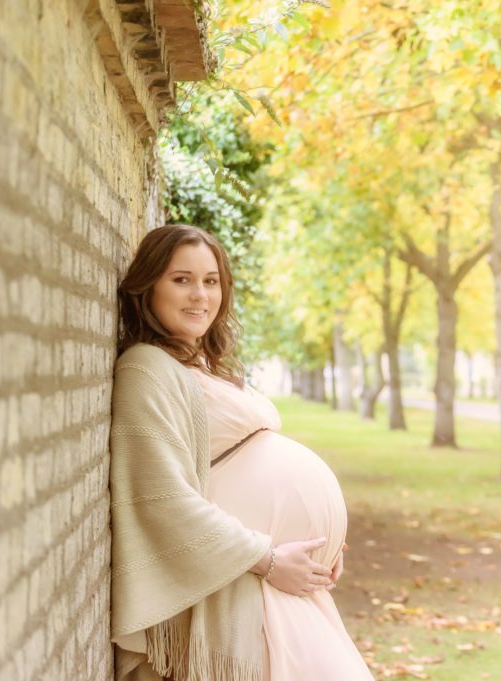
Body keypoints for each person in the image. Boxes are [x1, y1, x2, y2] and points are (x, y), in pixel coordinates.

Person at [109, 225, 374, 681]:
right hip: (247, 576)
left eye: (211, 281)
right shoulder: (146, 369)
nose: (200, 295)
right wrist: (270, 560)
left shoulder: (200, 364)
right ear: (147, 285)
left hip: (277, 578)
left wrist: (320, 542)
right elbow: (160, 499)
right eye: (182, 279)